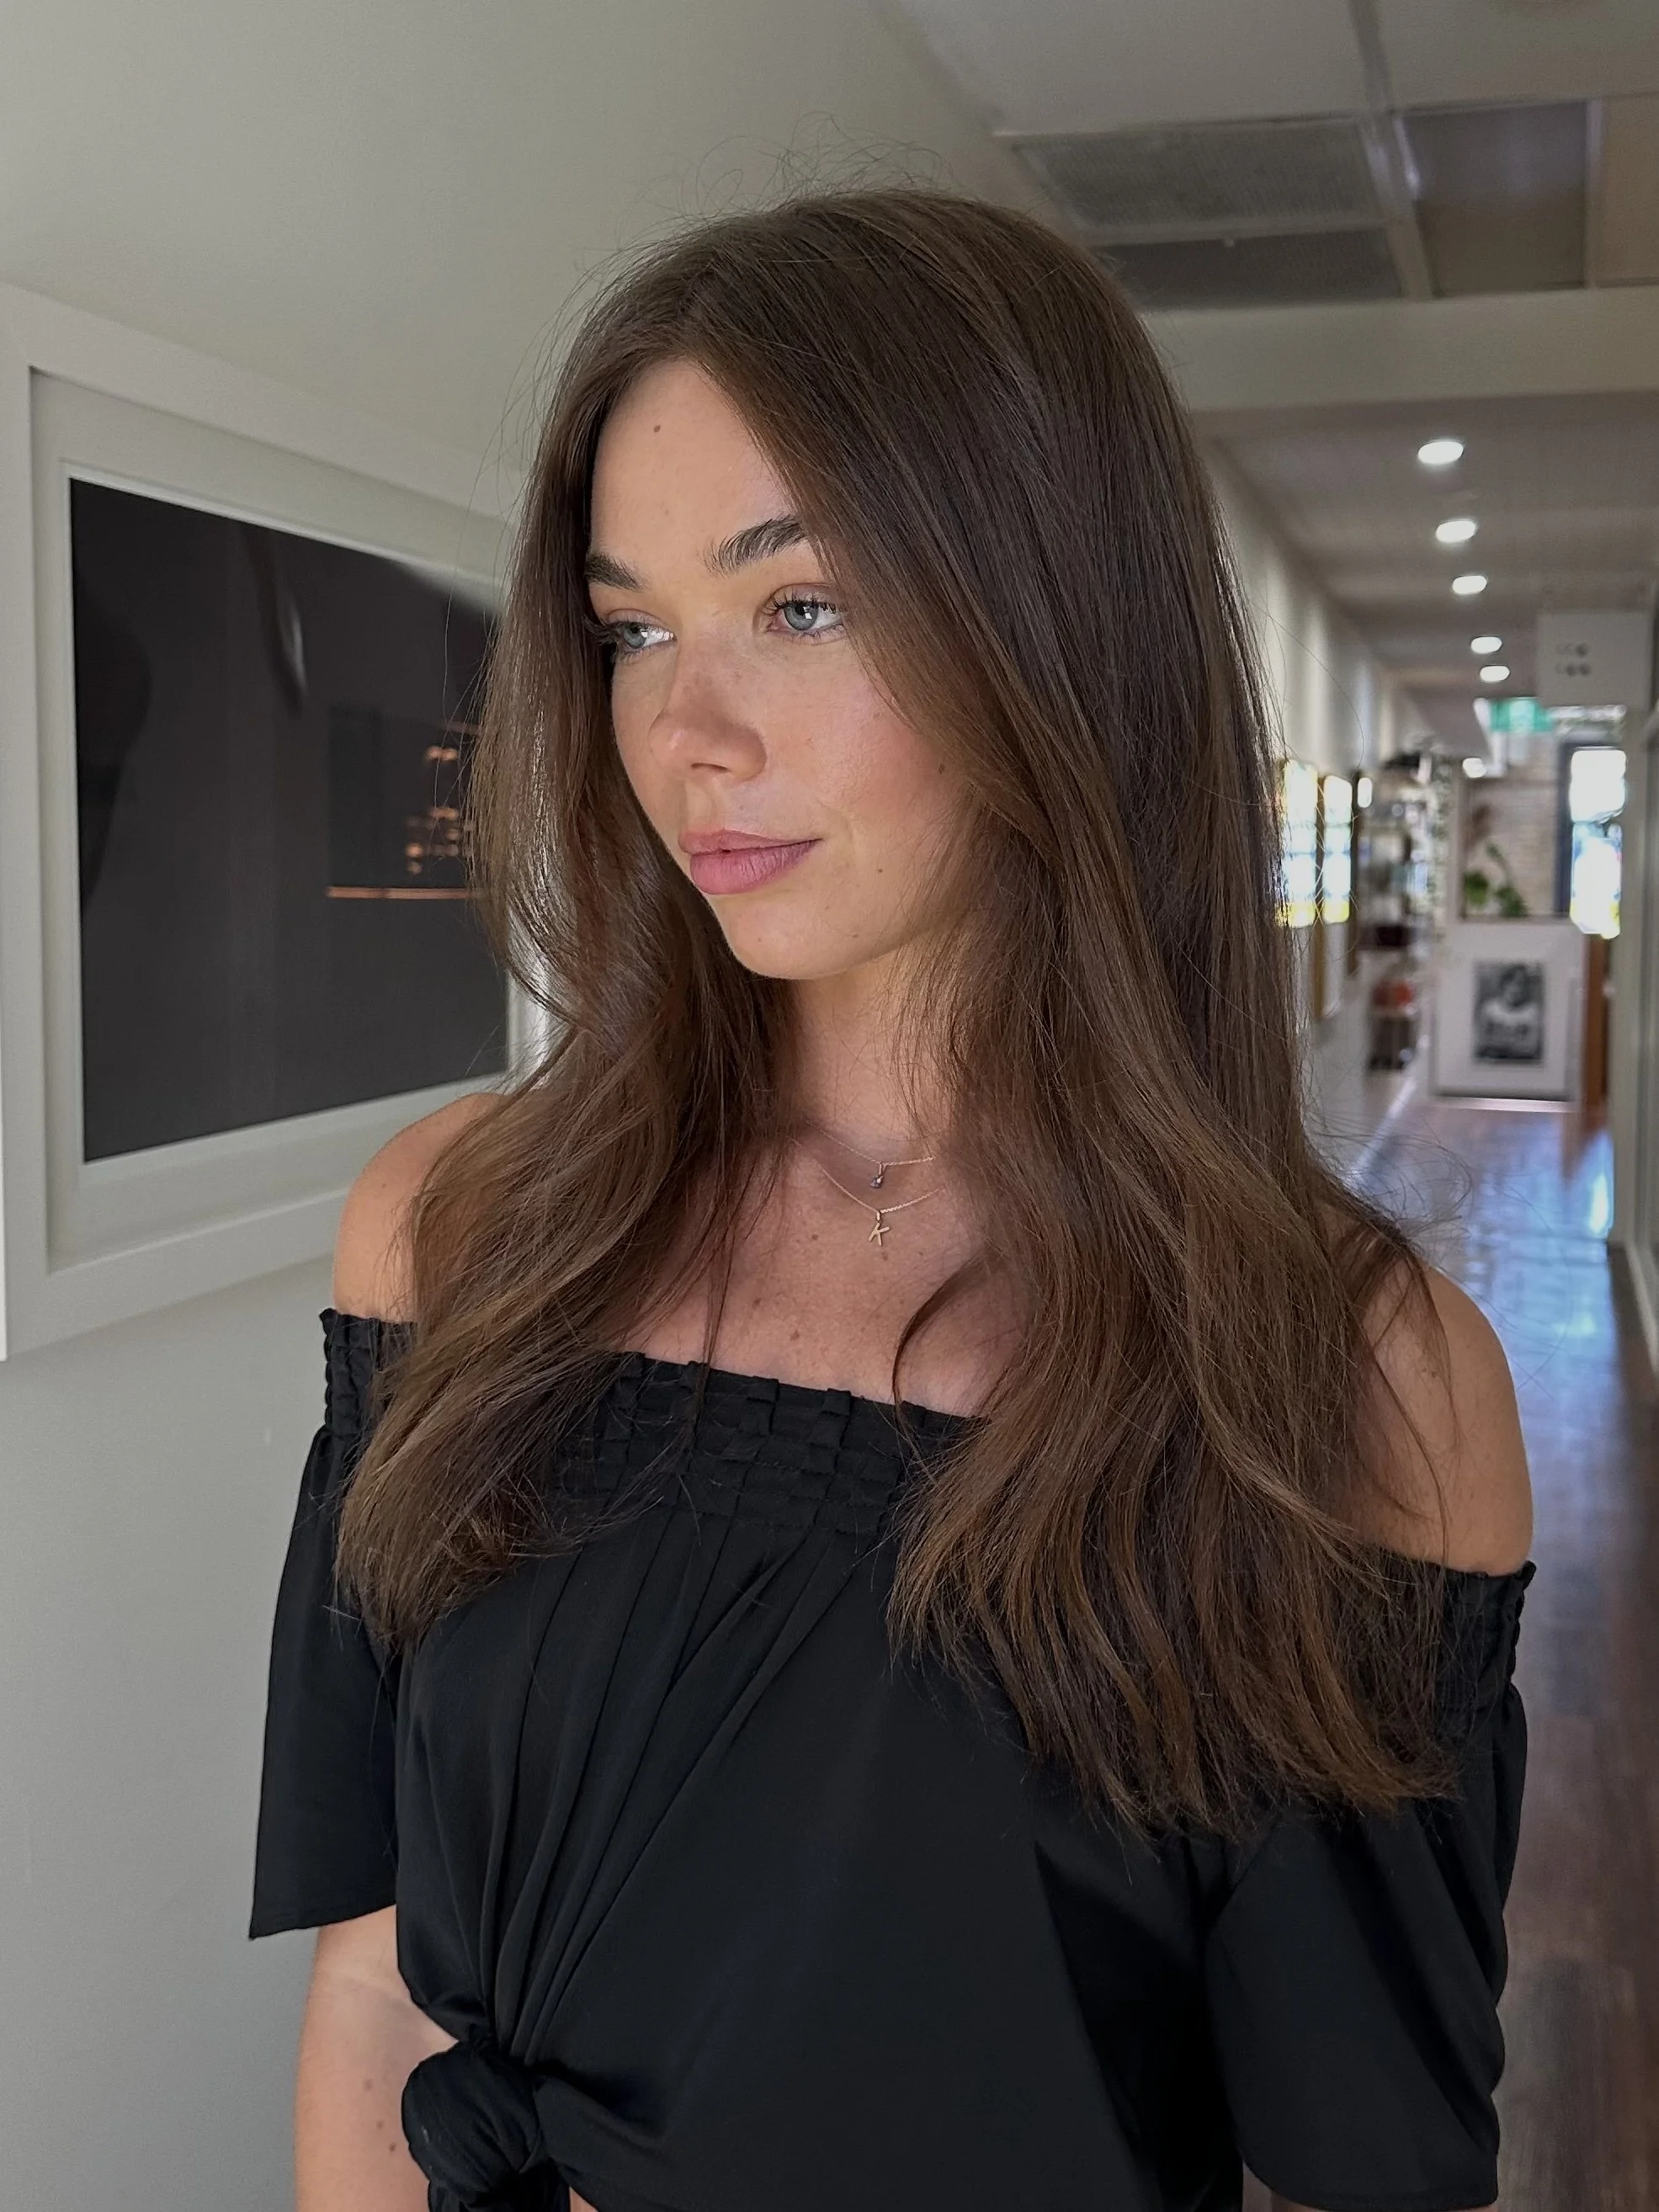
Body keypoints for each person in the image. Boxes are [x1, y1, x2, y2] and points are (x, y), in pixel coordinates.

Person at [252, 188, 1534, 2212]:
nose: (688, 731)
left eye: (804, 603)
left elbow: (1354, 2174)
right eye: (631, 628)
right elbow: (377, 1987)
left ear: (1057, 625)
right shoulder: (459, 1231)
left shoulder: (1340, 1377)